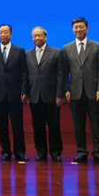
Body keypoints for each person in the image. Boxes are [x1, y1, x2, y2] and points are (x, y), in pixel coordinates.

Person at [61, 17, 99, 165]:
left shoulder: (98, 46)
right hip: (75, 92)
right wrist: (66, 89)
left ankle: (98, 152)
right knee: (78, 125)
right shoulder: (66, 48)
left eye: (81, 27)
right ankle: (81, 152)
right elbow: (63, 72)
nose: (78, 29)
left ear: (87, 28)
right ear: (72, 29)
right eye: (75, 27)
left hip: (93, 92)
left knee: (96, 124)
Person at [25, 27, 64, 163]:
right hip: (35, 96)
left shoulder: (56, 53)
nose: (36, 38)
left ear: (45, 37)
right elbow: (26, 76)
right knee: (38, 126)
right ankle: (41, 152)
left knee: (54, 126)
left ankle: (56, 152)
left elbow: (61, 75)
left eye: (39, 35)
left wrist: (60, 94)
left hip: (52, 96)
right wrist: (25, 92)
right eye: (34, 36)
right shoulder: (28, 54)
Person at [0, 25, 28, 163]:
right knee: (2, 125)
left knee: (17, 125)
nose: (3, 34)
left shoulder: (19, 51)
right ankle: (6, 152)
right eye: (1, 32)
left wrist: (24, 91)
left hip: (16, 94)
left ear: (11, 34)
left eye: (5, 32)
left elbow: (24, 73)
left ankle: (20, 152)